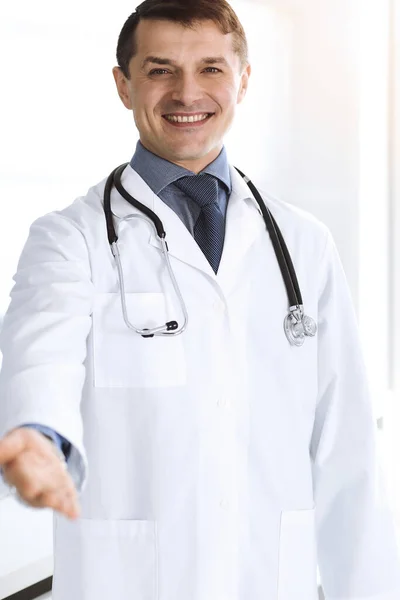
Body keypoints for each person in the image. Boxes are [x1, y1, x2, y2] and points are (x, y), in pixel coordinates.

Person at [0, 1, 399, 598]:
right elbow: (41, 355)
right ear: (123, 83)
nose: (187, 93)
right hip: (130, 583)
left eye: (211, 68)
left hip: (270, 580)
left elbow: (348, 454)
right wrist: (34, 435)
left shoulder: (302, 245)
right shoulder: (71, 239)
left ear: (243, 79)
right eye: (160, 69)